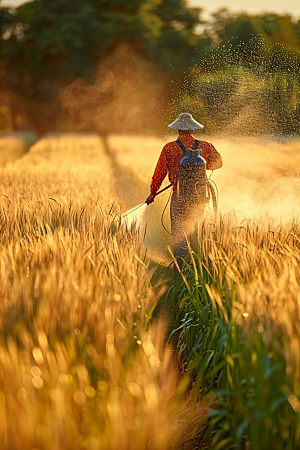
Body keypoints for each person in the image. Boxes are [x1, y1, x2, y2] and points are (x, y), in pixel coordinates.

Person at [145, 113, 223, 268]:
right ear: (193, 130)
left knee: (179, 233)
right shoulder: (205, 146)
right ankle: (196, 266)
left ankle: (180, 268)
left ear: (178, 130)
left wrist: (153, 193)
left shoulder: (169, 148)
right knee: (195, 230)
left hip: (179, 197)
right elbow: (219, 163)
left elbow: (159, 174)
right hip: (199, 197)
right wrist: (201, 166)